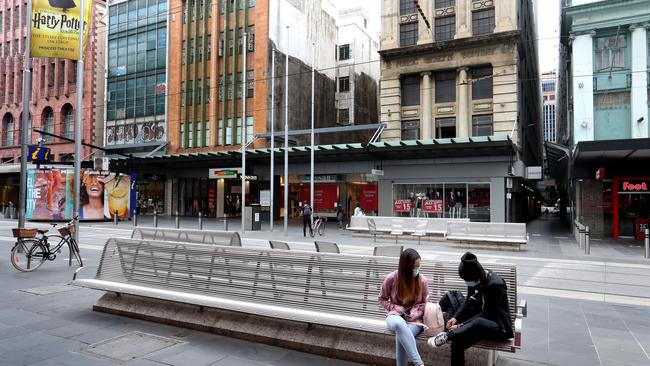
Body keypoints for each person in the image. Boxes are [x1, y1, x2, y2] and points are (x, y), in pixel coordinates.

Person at [428, 252, 513, 366]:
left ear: (477, 276)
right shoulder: (476, 279)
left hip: (498, 327)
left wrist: (460, 326)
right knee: (457, 342)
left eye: (467, 280)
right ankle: (450, 337)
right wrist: (456, 317)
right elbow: (468, 300)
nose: (467, 283)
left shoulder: (495, 285)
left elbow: (487, 314)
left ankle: (446, 336)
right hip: (480, 325)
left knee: (478, 321)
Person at [378, 249, 428, 366]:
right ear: (405, 267)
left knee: (402, 337)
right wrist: (395, 307)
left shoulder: (422, 281)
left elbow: (425, 303)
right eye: (414, 267)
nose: (417, 270)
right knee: (399, 325)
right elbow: (382, 299)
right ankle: (419, 363)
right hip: (395, 315)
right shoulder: (392, 278)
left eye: (418, 266)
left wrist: (417, 312)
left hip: (414, 320)